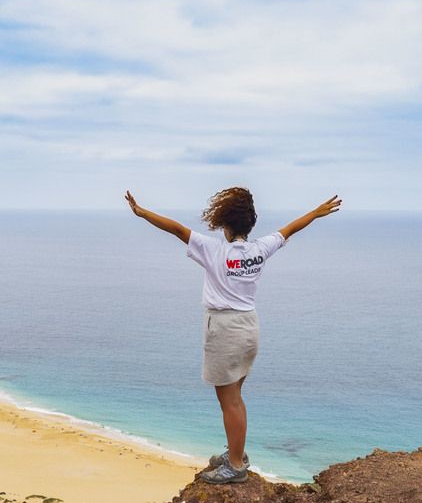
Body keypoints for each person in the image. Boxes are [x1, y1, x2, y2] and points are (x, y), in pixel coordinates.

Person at [124, 187, 342, 484]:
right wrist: (315, 213)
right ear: (249, 225)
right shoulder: (259, 249)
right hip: (249, 327)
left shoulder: (215, 250)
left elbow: (176, 229)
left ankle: (236, 465)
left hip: (225, 330)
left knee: (229, 401)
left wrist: (142, 212)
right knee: (236, 397)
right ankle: (236, 453)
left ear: (225, 225)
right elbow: (290, 228)